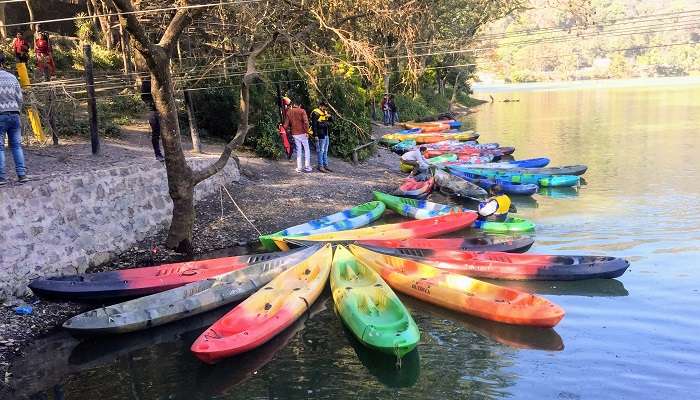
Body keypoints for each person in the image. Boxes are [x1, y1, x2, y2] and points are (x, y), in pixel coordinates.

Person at [0, 53, 28, 186]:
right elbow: (20, 98)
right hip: (14, 115)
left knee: (0, 148)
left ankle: (1, 177)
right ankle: (22, 175)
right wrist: (17, 110)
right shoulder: (12, 77)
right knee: (17, 146)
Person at [140, 78, 165, 162]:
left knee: (167, 133)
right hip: (153, 111)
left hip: (164, 111)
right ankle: (158, 154)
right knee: (156, 134)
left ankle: (162, 154)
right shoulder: (146, 82)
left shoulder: (161, 78)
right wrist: (154, 103)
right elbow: (144, 97)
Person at [284, 100, 312, 173]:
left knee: (298, 150)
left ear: (293, 104)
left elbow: (286, 125)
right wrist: (307, 131)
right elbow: (306, 122)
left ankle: (299, 168)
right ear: (299, 105)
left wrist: (282, 128)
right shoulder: (302, 111)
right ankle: (307, 167)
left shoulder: (289, 112)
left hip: (295, 133)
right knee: (306, 149)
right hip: (303, 133)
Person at [310, 102, 332, 173]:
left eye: (326, 107)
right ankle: (320, 166)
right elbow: (314, 125)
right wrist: (315, 135)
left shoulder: (325, 113)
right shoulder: (315, 113)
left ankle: (325, 165)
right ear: (320, 106)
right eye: (324, 107)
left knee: (325, 150)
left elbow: (330, 122)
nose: (325, 108)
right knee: (320, 150)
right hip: (320, 135)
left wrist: (330, 117)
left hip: (326, 134)